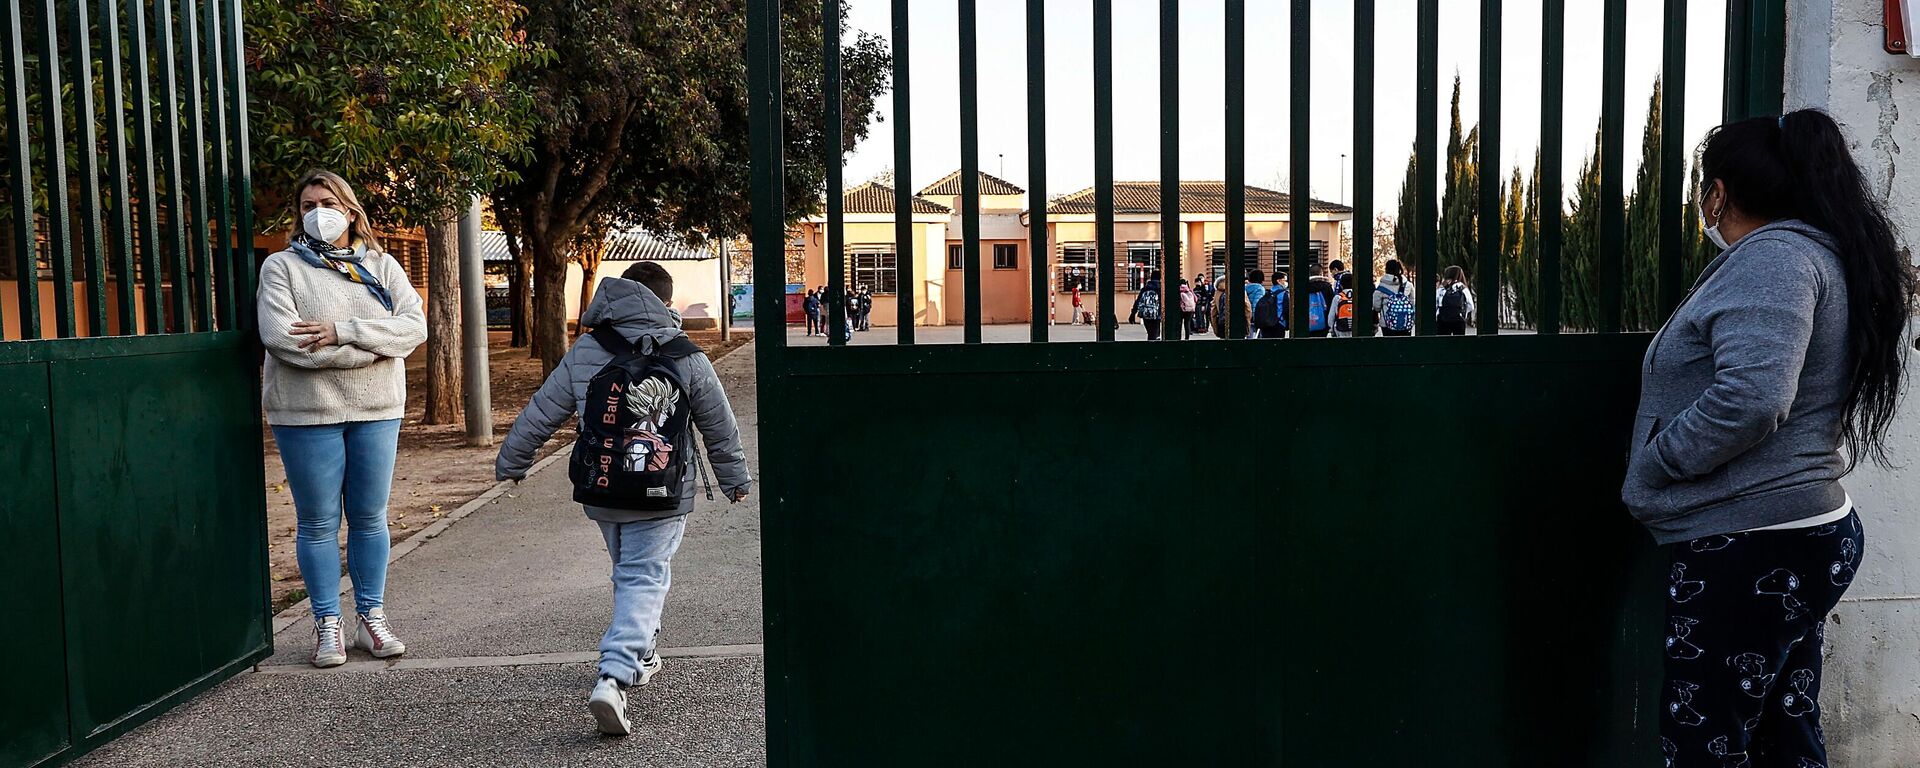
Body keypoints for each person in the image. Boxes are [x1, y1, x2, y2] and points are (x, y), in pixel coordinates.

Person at [1624, 109, 1917, 768]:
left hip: (1753, 544)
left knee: (1705, 745)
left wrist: (1660, 459)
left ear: (1719, 191)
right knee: (1782, 733)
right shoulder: (1812, 251)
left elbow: (1753, 399)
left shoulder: (1775, 260)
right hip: (1784, 539)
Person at [496, 261, 752, 737]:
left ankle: (644, 650)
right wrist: (734, 478)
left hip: (602, 489)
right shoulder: (687, 355)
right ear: (666, 304)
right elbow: (718, 423)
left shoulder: (587, 350)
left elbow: (541, 411)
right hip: (663, 492)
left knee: (628, 572)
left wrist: (513, 461)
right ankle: (615, 675)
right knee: (644, 575)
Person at [257, 170, 427, 668]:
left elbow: (412, 328)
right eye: (307, 205)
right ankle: (327, 623)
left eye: (327, 202)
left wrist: (341, 332)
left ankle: (370, 618)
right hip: (306, 412)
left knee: (370, 517)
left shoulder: (383, 265)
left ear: (351, 210)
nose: (317, 212)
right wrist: (373, 348)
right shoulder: (282, 268)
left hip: (377, 409)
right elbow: (286, 341)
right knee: (317, 522)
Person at [1373, 258, 1416, 336]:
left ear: (1386, 269)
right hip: (1405, 322)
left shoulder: (1381, 287)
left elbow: (1376, 307)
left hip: (1386, 324)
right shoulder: (1408, 285)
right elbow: (1413, 303)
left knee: (1389, 346)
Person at [1298, 264, 1337, 338]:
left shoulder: (1303, 287)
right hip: (1324, 322)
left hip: (1306, 322)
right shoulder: (1327, 286)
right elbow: (1332, 304)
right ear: (1321, 273)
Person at [1436, 265, 1475, 335]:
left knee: (1442, 343)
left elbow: (1436, 304)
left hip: (1442, 320)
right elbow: (1471, 306)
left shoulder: (1441, 288)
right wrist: (1463, 312)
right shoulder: (1462, 288)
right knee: (1459, 343)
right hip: (1458, 320)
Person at [1129, 271, 1164, 340]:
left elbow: (1138, 301)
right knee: (1155, 333)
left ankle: (1151, 346)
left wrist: (1133, 314)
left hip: (1146, 314)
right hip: (1156, 314)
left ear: (1151, 278)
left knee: (1150, 333)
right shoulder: (1161, 289)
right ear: (1160, 278)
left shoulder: (1145, 289)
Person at [1253, 271, 1288, 339]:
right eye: (1285, 280)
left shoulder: (1268, 293)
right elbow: (1286, 309)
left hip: (1267, 323)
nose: (1286, 282)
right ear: (1279, 281)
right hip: (1279, 323)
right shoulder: (1284, 293)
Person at [1329, 272, 1357, 338]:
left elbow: (1331, 317)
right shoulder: (1358, 297)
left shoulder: (1338, 297)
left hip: (1341, 330)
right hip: (1355, 329)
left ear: (1341, 285)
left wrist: (1332, 329)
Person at [1243, 269, 1267, 337]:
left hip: (1245, 315)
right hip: (1254, 318)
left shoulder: (1245, 287)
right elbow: (1256, 304)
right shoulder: (1259, 289)